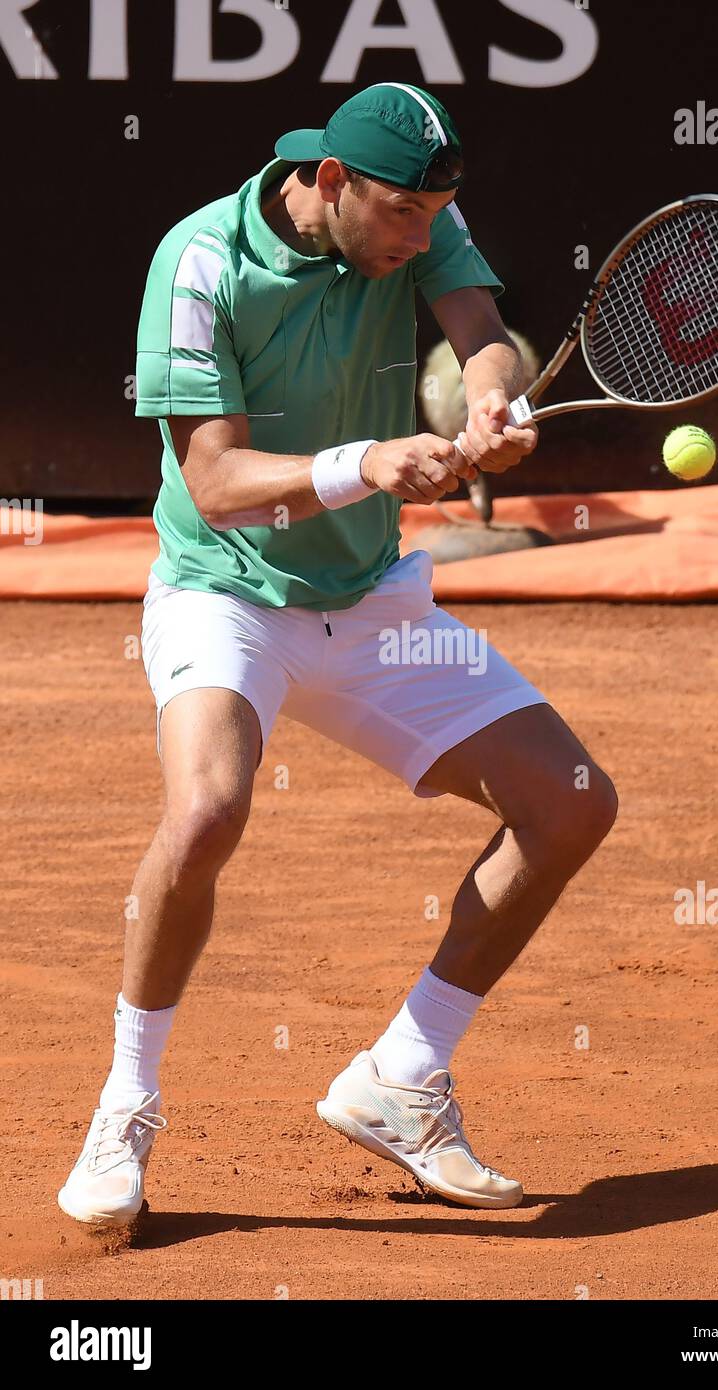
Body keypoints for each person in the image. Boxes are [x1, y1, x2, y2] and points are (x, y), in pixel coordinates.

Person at [58, 82, 617, 1223]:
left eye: (434, 215)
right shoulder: (199, 262)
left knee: (570, 802)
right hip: (228, 596)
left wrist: (490, 403)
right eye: (401, 214)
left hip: (367, 600)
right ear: (327, 182)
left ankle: (401, 1077)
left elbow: (481, 336)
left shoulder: (420, 216)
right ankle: (126, 1102)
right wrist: (364, 461)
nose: (421, 235)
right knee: (207, 811)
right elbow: (213, 485)